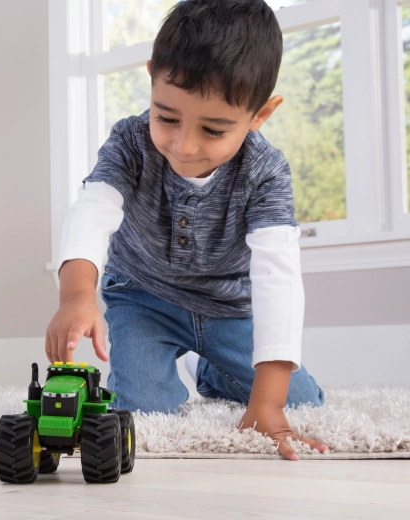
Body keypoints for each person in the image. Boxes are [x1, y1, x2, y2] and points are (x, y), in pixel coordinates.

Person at [46, 0, 328, 461]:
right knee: (143, 411)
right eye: (167, 118)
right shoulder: (129, 141)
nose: (184, 145)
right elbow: (93, 210)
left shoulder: (267, 171)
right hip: (142, 298)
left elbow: (277, 274)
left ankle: (212, 373)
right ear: (152, 77)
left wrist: (267, 405)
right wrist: (76, 296)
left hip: (229, 308)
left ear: (259, 115)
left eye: (213, 130)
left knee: (300, 402)